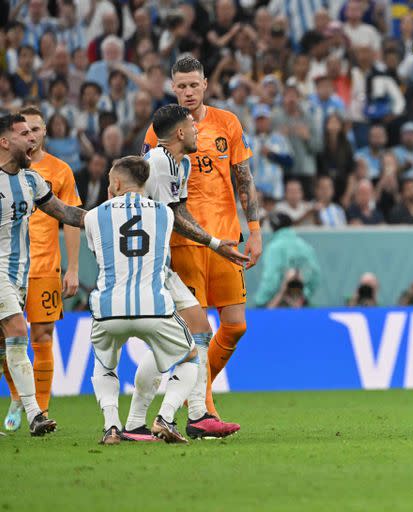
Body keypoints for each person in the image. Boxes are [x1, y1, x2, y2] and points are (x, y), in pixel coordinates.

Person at [142, 56, 262, 419]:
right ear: (172, 87)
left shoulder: (227, 123)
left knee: (236, 324)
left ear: (206, 84)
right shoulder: (158, 131)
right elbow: (145, 181)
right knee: (199, 330)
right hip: (186, 241)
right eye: (181, 85)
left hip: (226, 239)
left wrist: (254, 231)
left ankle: (200, 387)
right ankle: (203, 413)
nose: (188, 92)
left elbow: (244, 178)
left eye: (194, 84)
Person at [125, 105, 248, 441]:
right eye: (193, 127)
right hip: (150, 266)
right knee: (179, 342)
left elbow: (180, 210)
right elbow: (172, 219)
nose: (198, 131)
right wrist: (213, 242)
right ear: (180, 133)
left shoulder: (183, 162)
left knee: (194, 335)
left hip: (162, 264)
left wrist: (214, 242)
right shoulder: (161, 163)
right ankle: (154, 418)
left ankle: (193, 415)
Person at [84, 156, 199, 445]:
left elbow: (99, 256)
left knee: (104, 365)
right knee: (190, 357)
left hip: (109, 309)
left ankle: (112, 426)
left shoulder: (93, 216)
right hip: (154, 306)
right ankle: (166, 418)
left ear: (117, 183)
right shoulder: (165, 214)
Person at [0, 113, 87, 436]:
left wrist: (105, 217)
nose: (31, 139)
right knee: (18, 332)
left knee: (6, 345)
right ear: (5, 142)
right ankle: (36, 413)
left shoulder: (32, 180)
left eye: (33, 132)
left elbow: (64, 212)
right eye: (24, 134)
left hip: (24, 274)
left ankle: (28, 407)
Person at [252, 212, 321, 308]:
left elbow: (271, 278)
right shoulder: (306, 246)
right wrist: (305, 295)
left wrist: (260, 301)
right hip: (301, 304)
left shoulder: (274, 248)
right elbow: (315, 275)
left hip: (279, 304)